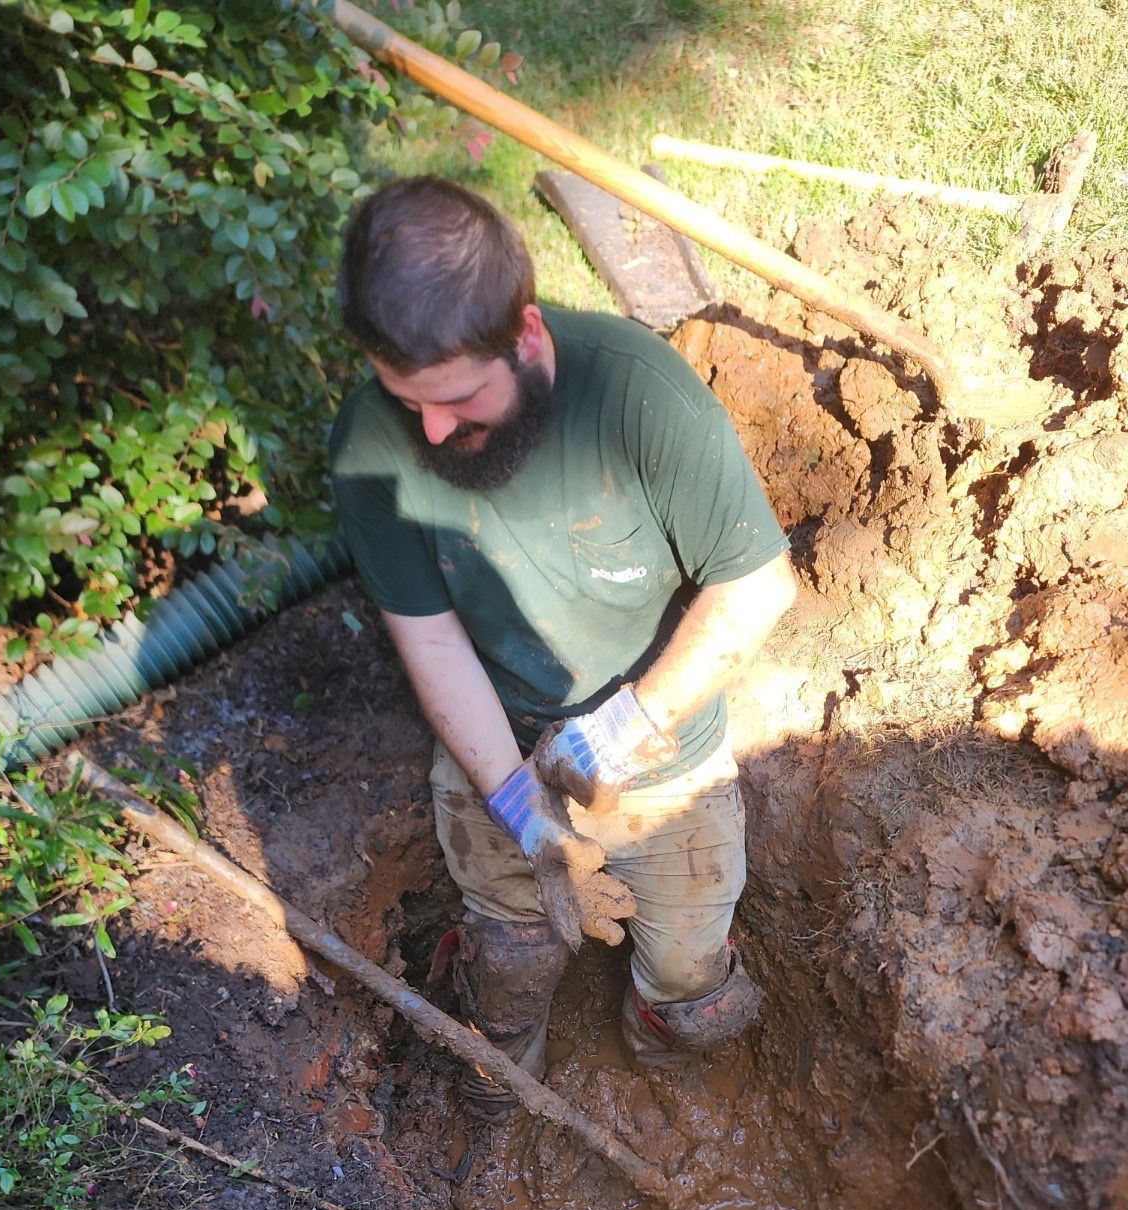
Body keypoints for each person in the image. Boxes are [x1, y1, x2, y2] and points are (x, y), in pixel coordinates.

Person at [330, 176, 796, 1122]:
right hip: (499, 740)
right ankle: (504, 1099)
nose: (431, 430)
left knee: (693, 994)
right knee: (510, 969)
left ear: (528, 337)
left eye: (459, 399)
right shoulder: (372, 446)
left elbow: (757, 587)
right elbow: (431, 639)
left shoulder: (639, 398)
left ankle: (657, 1064)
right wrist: (517, 802)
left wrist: (622, 731)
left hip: (664, 739)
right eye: (405, 399)